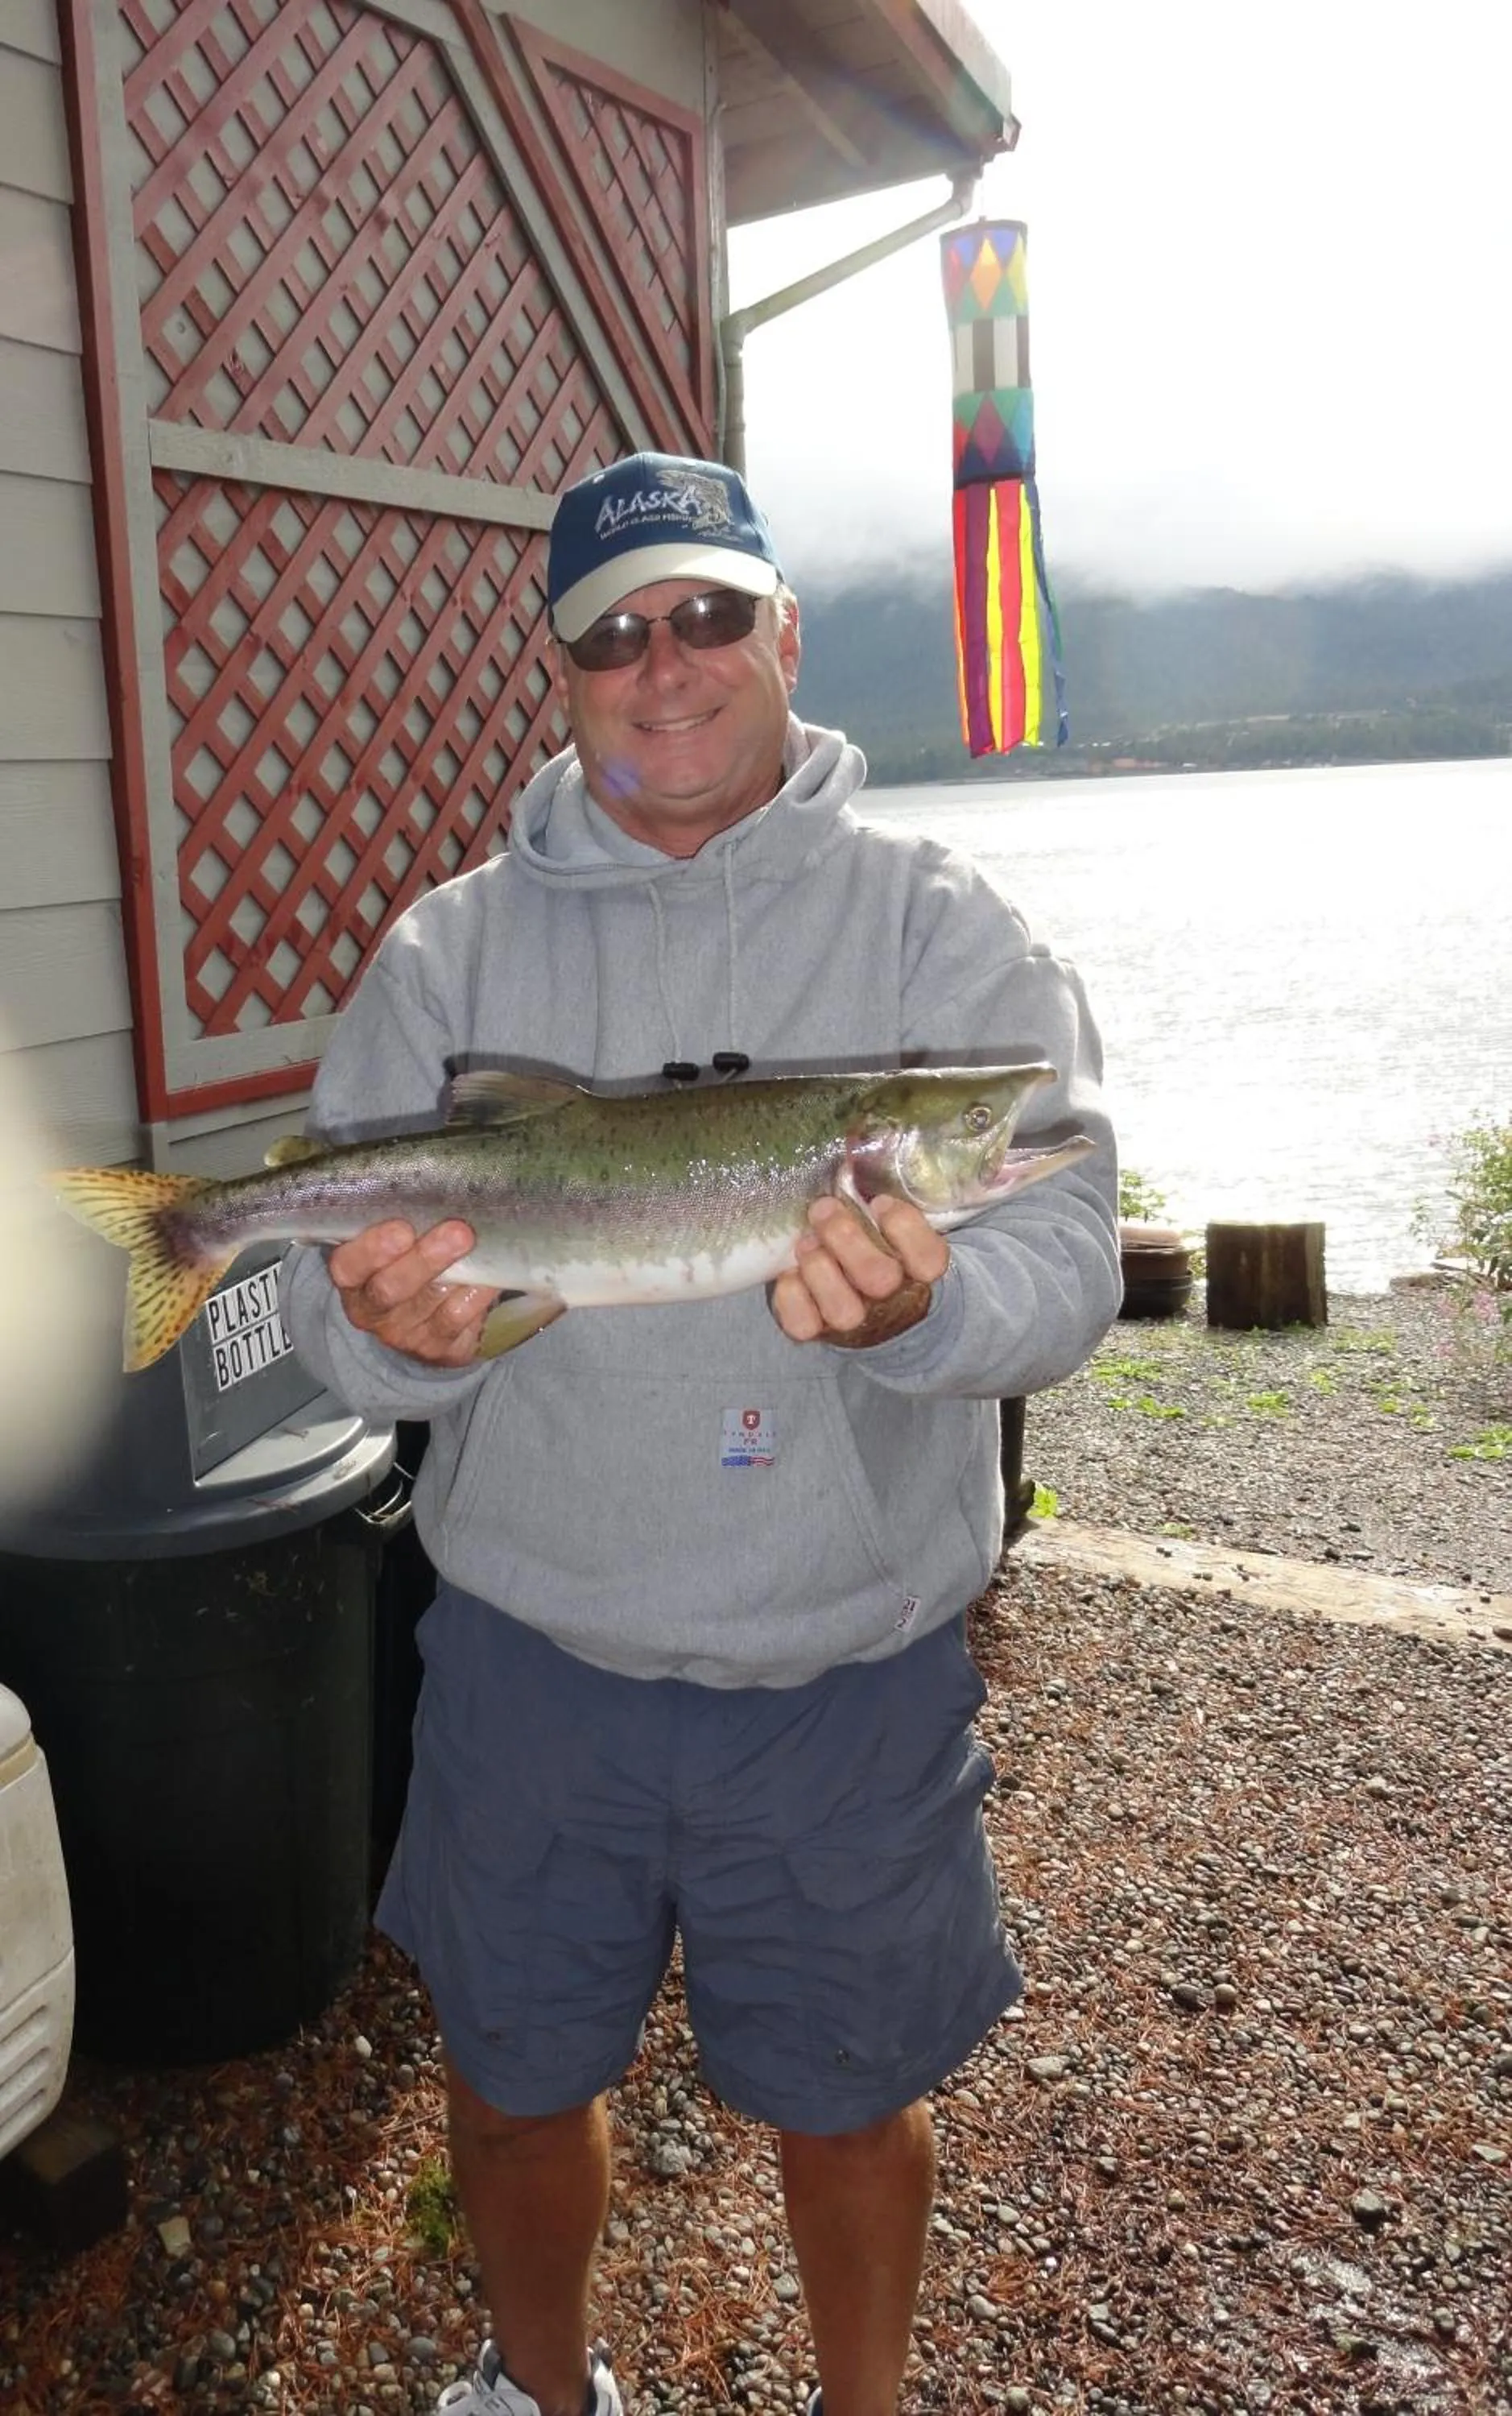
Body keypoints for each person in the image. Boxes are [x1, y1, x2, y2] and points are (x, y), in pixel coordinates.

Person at [282, 451, 1121, 2416]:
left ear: (784, 634)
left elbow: (1067, 1237)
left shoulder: (942, 928)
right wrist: (392, 1339)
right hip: (526, 1666)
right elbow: (342, 1354)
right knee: (507, 2088)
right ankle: (543, 2389)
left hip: (846, 1668)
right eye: (615, 634)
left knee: (849, 2105)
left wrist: (930, 1313)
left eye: (708, 614)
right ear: (561, 675)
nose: (666, 665)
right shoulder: (446, 954)